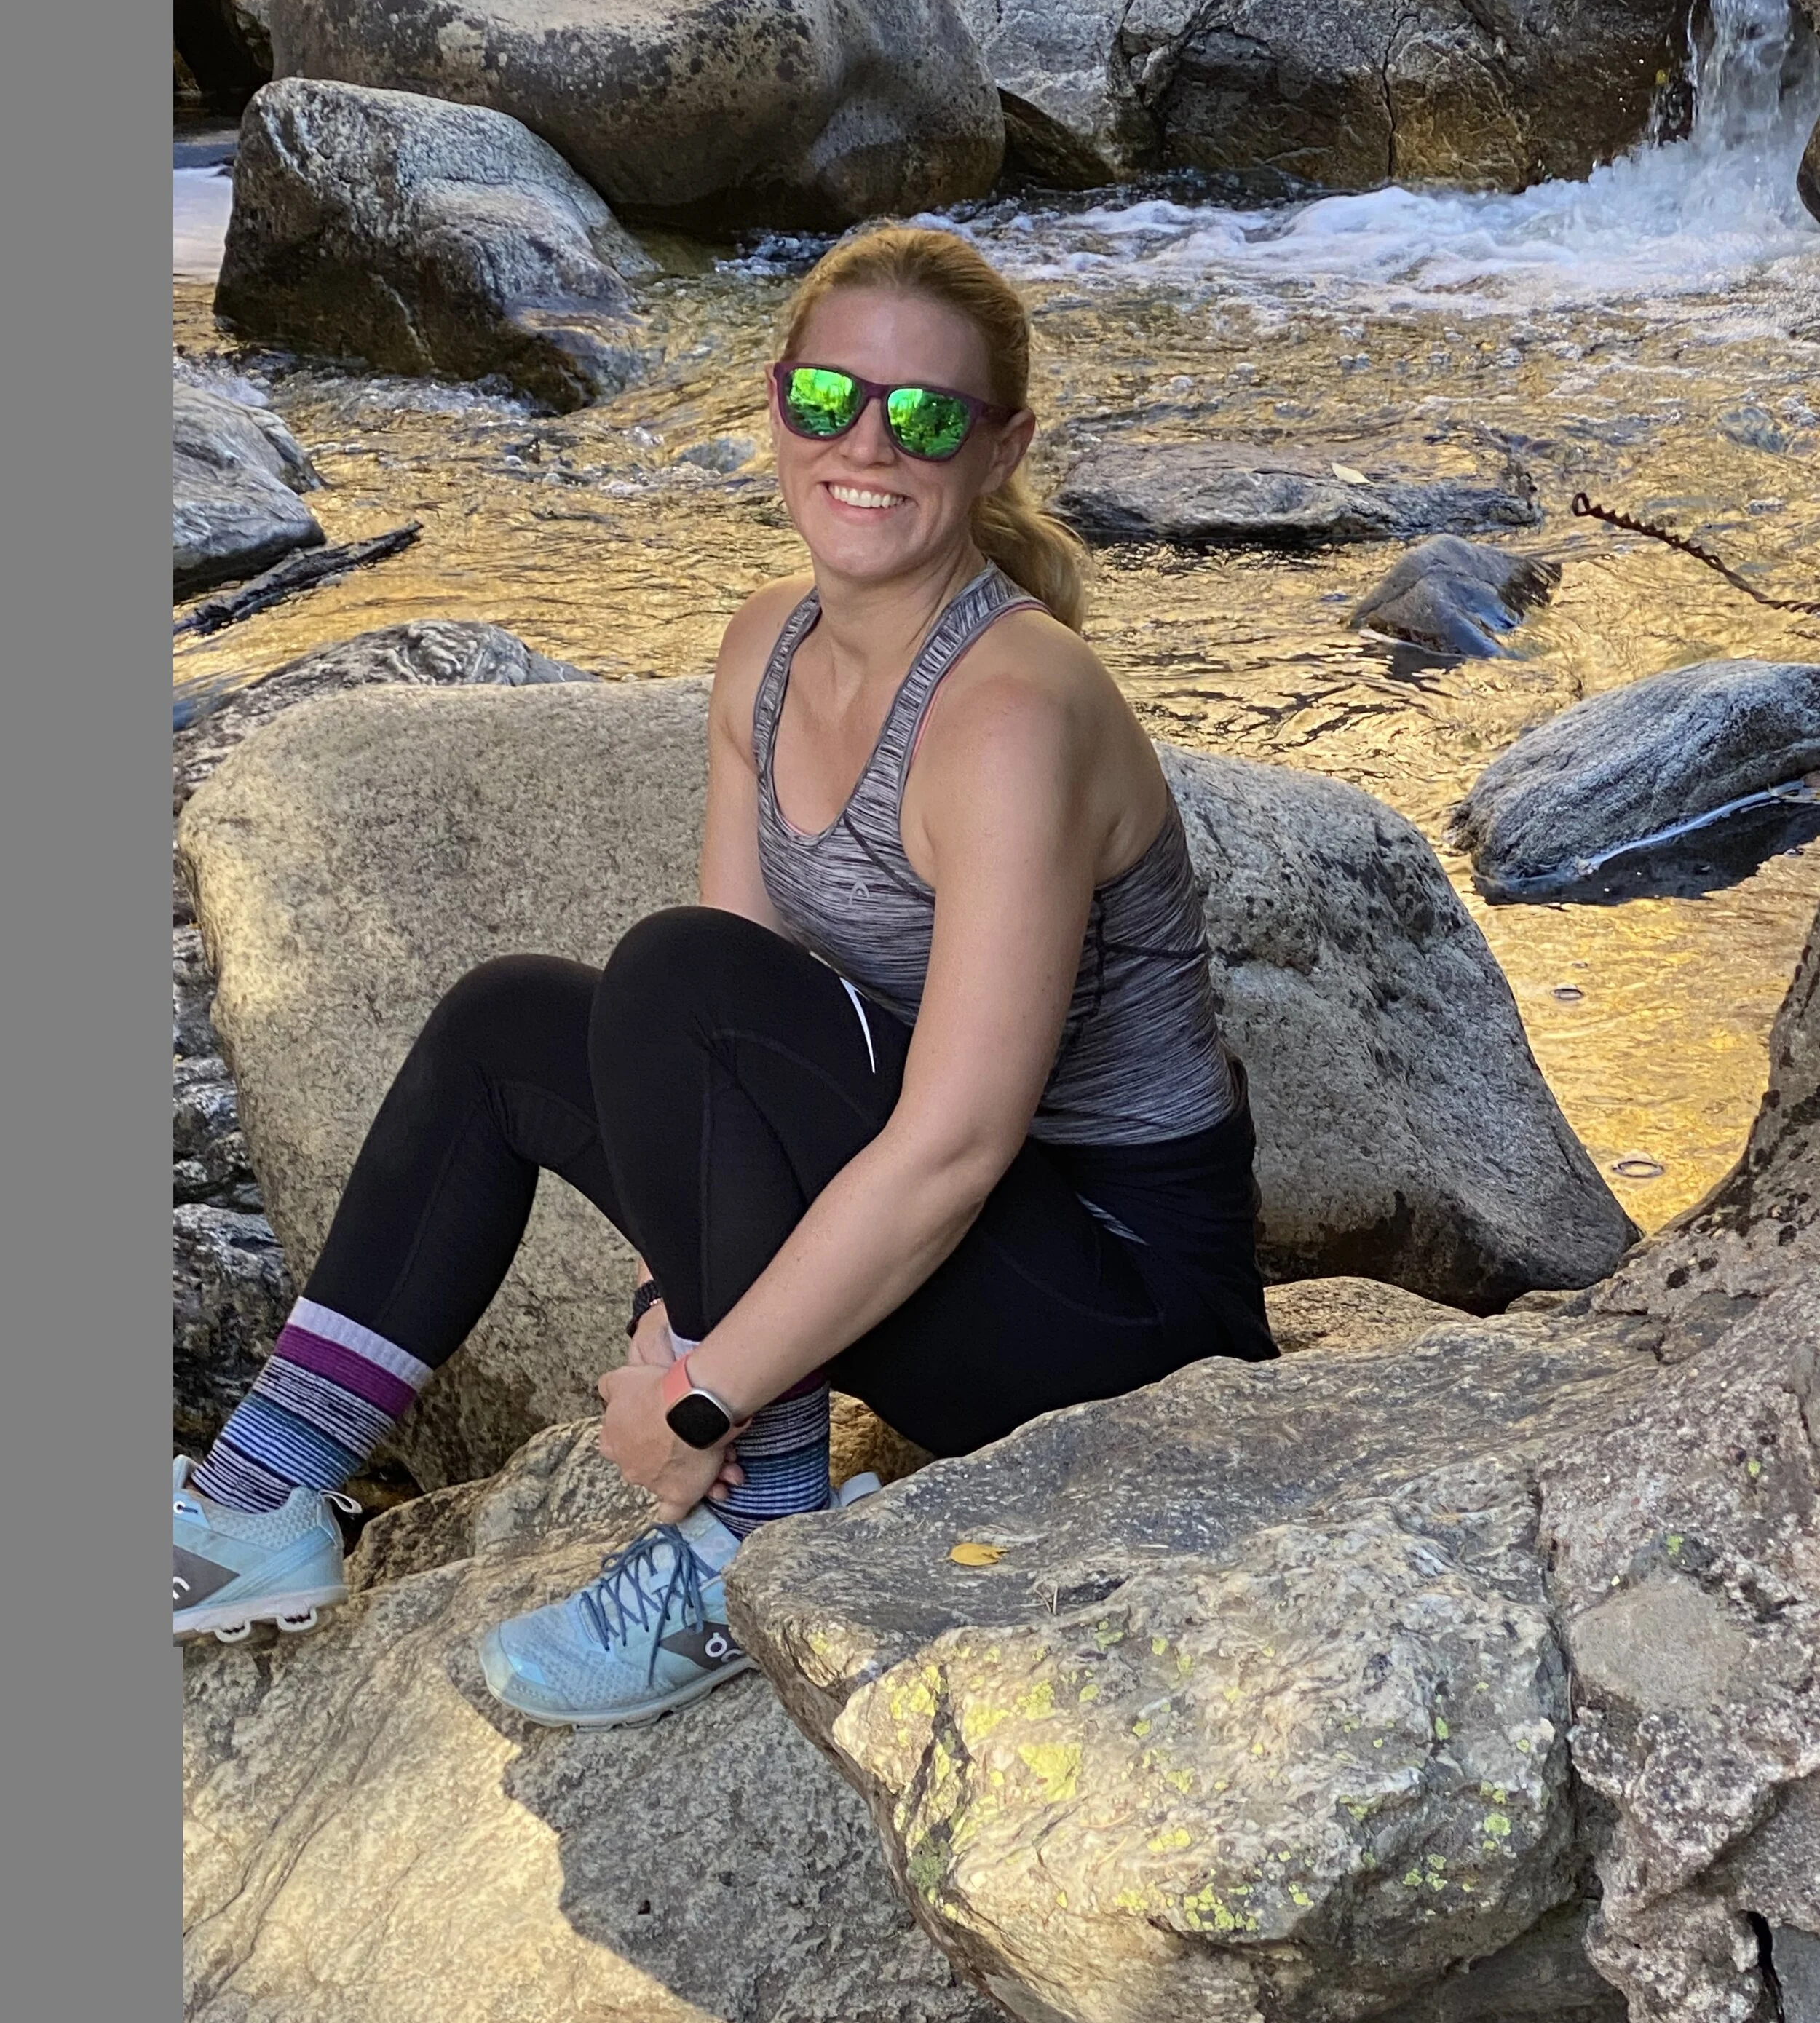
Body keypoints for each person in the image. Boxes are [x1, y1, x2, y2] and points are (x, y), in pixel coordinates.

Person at [173, 223, 1277, 1724]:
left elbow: (952, 1145)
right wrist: (672, 1299)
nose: (867, 444)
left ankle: (748, 1528)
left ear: (1000, 447)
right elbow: (701, 1066)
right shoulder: (765, 649)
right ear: (775, 406)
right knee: (517, 1018)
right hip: (951, 1251)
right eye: (830, 400)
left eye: (926, 414)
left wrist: (707, 1390)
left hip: (1112, 1315)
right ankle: (260, 1498)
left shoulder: (1014, 710)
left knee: (683, 974)